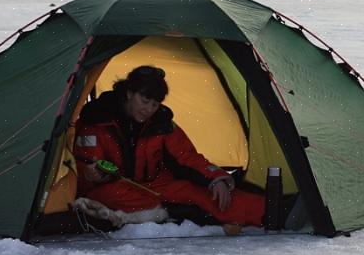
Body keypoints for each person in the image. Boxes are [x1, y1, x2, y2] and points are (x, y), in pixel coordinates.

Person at [73, 65, 265, 232]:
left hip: (158, 187)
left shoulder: (162, 124)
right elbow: (82, 166)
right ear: (129, 93)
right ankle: (181, 214)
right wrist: (89, 174)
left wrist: (216, 179)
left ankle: (269, 212)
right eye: (145, 101)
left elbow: (187, 157)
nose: (149, 109)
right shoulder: (97, 122)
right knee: (112, 195)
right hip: (116, 189)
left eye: (155, 104)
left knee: (214, 197)